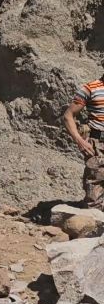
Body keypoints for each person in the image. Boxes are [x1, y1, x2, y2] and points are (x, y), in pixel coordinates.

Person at [63, 72, 104, 209]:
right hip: (98, 146)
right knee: (95, 197)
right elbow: (68, 116)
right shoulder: (90, 89)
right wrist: (80, 141)